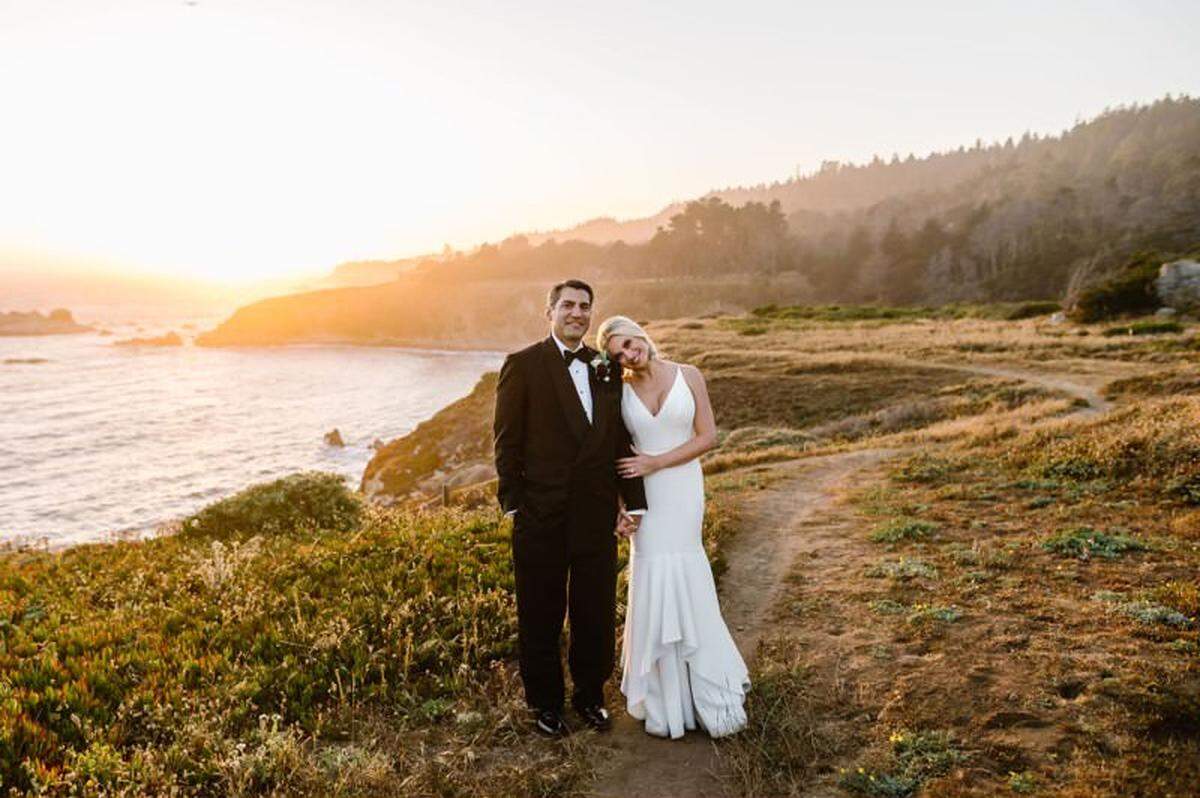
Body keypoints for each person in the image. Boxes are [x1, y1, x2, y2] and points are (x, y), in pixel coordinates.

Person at [492, 280, 647, 737]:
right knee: (540, 613)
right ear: (550, 311)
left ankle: (590, 697)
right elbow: (507, 442)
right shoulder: (522, 365)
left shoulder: (605, 367)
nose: (577, 313)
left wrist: (631, 503)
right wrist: (514, 506)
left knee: (593, 610)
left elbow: (618, 439)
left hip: (595, 515)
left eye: (584, 307)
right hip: (540, 514)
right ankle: (545, 704)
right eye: (568, 305)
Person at [596, 314, 749, 739]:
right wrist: (621, 505)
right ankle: (665, 699)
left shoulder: (689, 374)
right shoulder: (619, 392)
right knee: (653, 574)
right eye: (620, 352)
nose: (630, 353)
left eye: (630, 341)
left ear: (642, 334)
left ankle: (708, 691)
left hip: (682, 488)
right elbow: (613, 454)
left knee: (687, 568)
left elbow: (707, 437)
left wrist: (657, 462)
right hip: (645, 501)